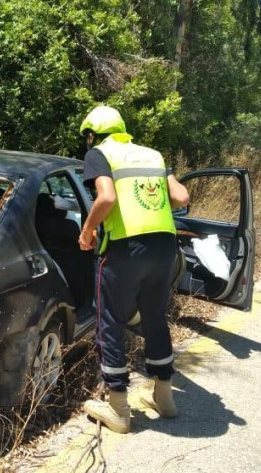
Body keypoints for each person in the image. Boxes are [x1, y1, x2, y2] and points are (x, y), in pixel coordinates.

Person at [77, 105, 190, 434]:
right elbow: (181, 197)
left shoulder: (99, 153)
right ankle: (164, 398)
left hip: (125, 249)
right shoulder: (152, 154)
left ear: (91, 135)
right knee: (154, 316)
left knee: (110, 319)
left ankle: (119, 410)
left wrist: (87, 232)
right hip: (164, 247)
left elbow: (107, 198)